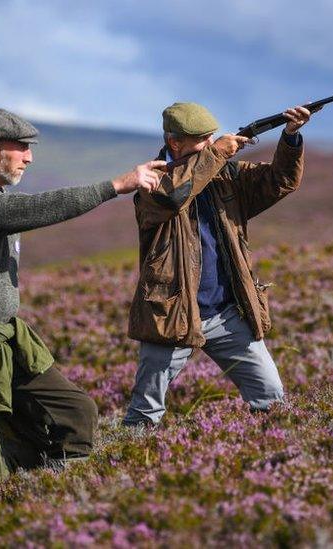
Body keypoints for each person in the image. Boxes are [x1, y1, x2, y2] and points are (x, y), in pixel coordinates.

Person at [0, 108, 163, 504]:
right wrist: (116, 185)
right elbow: (31, 211)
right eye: (21, 148)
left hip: (2, 334)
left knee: (74, 412)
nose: (29, 157)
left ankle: (44, 498)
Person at [123, 102, 314, 426]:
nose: (211, 145)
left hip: (228, 311)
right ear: (174, 143)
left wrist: (291, 137)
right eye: (202, 141)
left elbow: (279, 181)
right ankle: (126, 464)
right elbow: (173, 196)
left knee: (271, 400)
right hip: (173, 315)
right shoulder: (152, 182)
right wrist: (217, 155)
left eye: (212, 139)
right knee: (146, 412)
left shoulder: (224, 175)